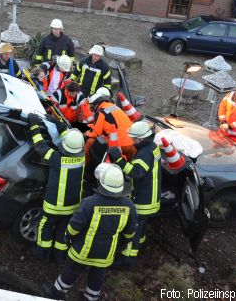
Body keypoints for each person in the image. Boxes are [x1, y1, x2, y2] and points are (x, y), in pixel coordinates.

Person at [43, 164, 136, 301]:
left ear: (101, 183)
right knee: (97, 276)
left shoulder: (90, 202)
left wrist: (68, 238)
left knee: (71, 271)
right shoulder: (129, 206)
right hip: (106, 252)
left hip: (82, 250)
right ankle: (90, 298)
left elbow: (74, 226)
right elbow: (130, 232)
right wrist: (121, 245)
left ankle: (56, 293)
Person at [28, 113, 85, 263]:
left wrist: (34, 125)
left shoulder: (56, 158)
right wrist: (55, 121)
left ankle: (42, 254)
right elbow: (68, 136)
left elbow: (40, 146)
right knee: (63, 230)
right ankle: (59, 257)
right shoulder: (82, 157)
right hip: (72, 205)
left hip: (54, 205)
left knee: (45, 227)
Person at [107, 121, 161, 268]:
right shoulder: (152, 147)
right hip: (151, 196)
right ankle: (139, 246)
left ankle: (127, 260)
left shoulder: (145, 153)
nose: (132, 141)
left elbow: (137, 173)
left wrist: (118, 160)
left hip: (143, 199)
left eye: (134, 139)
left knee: (134, 229)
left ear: (141, 139)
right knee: (141, 226)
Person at [84, 87, 135, 171]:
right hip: (132, 144)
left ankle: (83, 167)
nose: (90, 106)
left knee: (90, 142)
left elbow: (96, 133)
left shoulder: (101, 112)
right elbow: (113, 123)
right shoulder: (114, 107)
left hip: (120, 144)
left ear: (95, 104)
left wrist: (86, 134)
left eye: (90, 104)